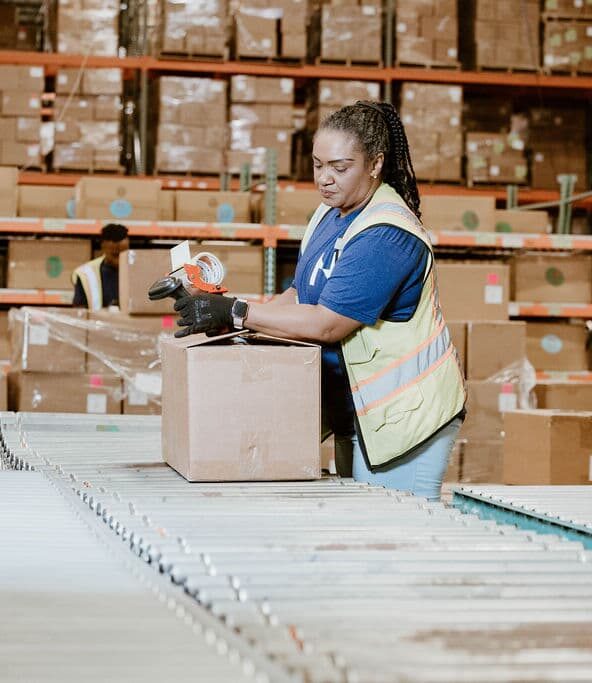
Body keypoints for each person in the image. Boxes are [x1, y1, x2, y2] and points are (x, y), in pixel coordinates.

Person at [172, 101, 466, 501]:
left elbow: (328, 324)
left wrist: (241, 313)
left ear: (375, 164)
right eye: (317, 165)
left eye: (340, 168)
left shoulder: (386, 234)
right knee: (360, 534)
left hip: (403, 418)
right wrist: (226, 317)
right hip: (355, 410)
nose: (325, 179)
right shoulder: (331, 214)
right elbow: (300, 295)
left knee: (395, 541)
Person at [72, 223, 129, 309]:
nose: (119, 260)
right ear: (103, 246)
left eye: (122, 253)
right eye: (115, 254)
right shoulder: (86, 274)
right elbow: (79, 310)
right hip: (96, 321)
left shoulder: (138, 272)